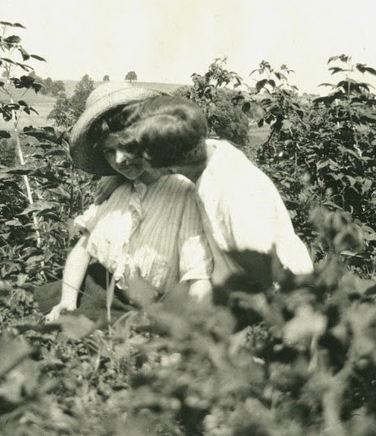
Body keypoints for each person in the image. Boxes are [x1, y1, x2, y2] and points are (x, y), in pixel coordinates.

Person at [45, 84, 213, 322]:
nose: (119, 160)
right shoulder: (116, 189)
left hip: (147, 310)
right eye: (108, 151)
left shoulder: (183, 192)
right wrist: (68, 301)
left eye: (126, 146)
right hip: (94, 291)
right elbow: (82, 249)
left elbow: (197, 277)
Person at [113, 95, 314, 294]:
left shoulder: (229, 197)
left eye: (137, 157)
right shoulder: (210, 150)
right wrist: (116, 178)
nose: (120, 160)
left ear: (165, 166)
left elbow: (268, 276)